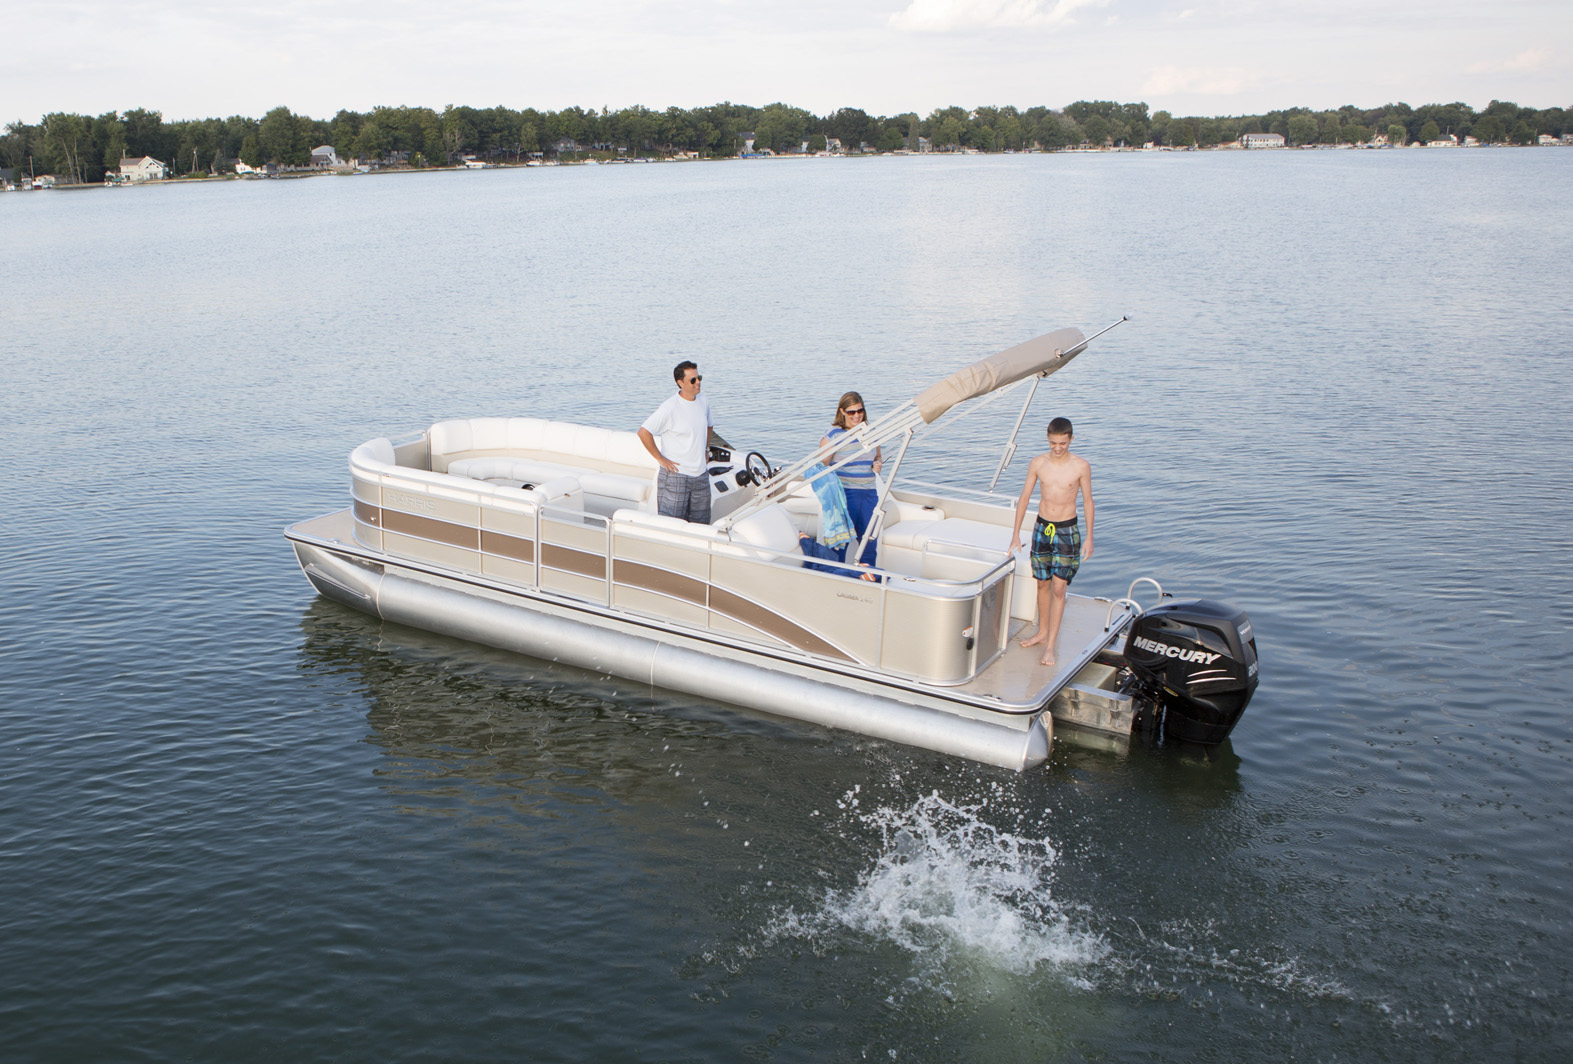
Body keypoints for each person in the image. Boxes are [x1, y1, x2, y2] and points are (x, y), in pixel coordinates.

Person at [1009, 417, 1094, 667]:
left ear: (1071, 439)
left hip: (1067, 529)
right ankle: (1042, 631)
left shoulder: (1081, 466)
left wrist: (1090, 536)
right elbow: (1025, 497)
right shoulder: (1038, 463)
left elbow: (1088, 501)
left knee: (1059, 588)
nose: (1058, 448)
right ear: (1048, 439)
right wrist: (1016, 534)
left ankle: (1050, 645)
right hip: (1042, 528)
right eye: (1054, 443)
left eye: (1063, 443)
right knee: (1042, 584)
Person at [638, 360, 719, 524]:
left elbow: (709, 426)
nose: (698, 382)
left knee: (701, 525)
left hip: (701, 476)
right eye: (693, 380)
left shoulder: (703, 401)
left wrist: (706, 448)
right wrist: (661, 459)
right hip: (676, 477)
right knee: (672, 526)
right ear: (680, 382)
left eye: (699, 377)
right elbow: (644, 432)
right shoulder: (669, 408)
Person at [820, 392, 882, 566]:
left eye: (860, 411)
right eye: (851, 412)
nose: (857, 415)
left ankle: (868, 578)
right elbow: (821, 464)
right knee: (840, 543)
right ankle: (834, 575)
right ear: (842, 412)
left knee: (869, 542)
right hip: (845, 495)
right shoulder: (833, 435)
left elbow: (878, 457)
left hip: (869, 493)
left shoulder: (870, 432)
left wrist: (877, 464)